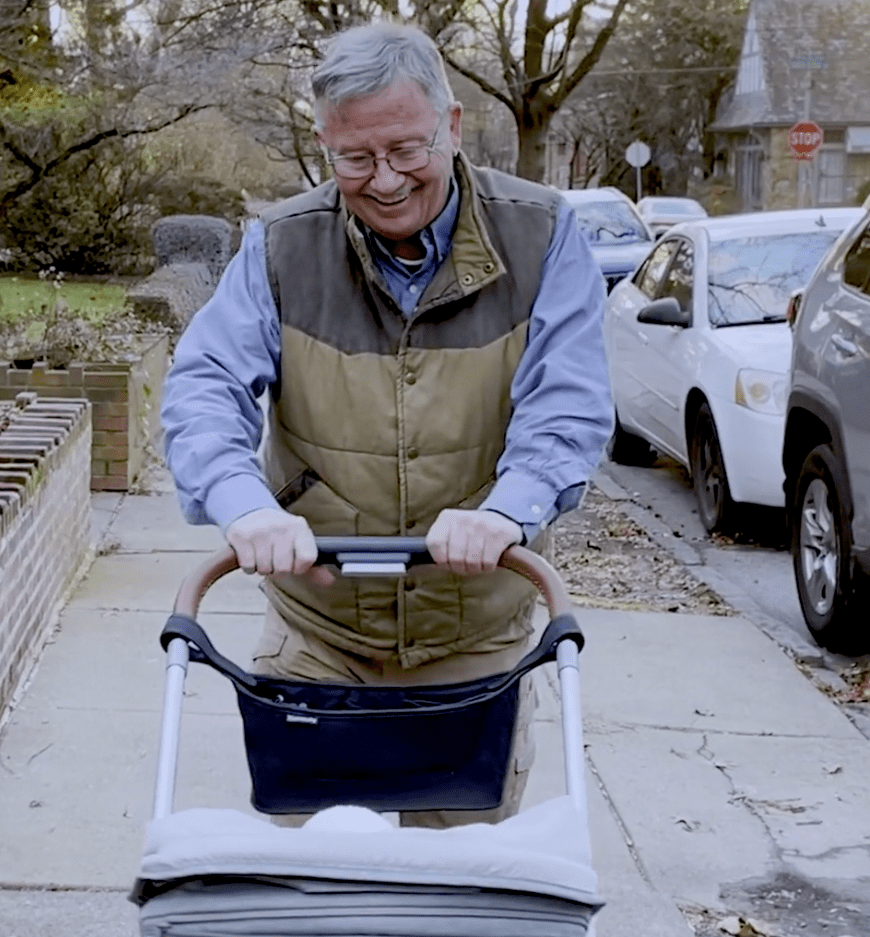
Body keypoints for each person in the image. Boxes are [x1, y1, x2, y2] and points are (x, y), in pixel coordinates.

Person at [162, 21, 613, 827]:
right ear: (325, 144)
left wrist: (508, 511)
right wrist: (246, 507)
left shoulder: (544, 236)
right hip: (319, 636)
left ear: (451, 125)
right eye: (355, 158)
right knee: (315, 900)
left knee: (453, 903)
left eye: (407, 150)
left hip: (474, 644)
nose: (385, 180)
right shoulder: (281, 247)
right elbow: (205, 386)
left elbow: (566, 402)